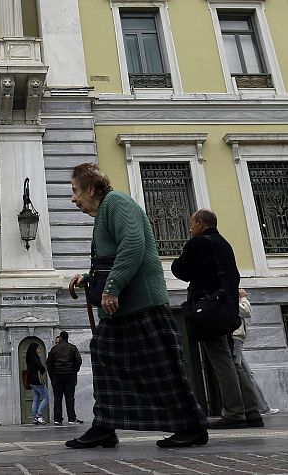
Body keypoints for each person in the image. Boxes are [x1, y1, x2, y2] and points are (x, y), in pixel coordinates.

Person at [66, 162, 210, 450]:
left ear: (91, 188)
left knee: (160, 367)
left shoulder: (118, 202)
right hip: (120, 308)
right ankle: (105, 425)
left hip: (141, 304)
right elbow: (111, 259)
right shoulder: (105, 211)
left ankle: (191, 426)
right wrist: (89, 277)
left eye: (75, 191)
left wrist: (112, 288)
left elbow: (133, 244)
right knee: (105, 359)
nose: (73, 198)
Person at [173, 209, 262, 430]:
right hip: (226, 309)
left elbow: (180, 270)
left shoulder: (198, 244)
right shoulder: (224, 244)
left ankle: (233, 413)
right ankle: (252, 411)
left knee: (222, 362)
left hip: (208, 309)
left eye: (192, 224)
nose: (190, 228)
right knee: (232, 361)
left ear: (201, 224)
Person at [232, 289, 276, 415]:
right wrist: (243, 298)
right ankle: (248, 408)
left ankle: (263, 407)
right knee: (238, 371)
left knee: (247, 373)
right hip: (236, 338)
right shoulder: (229, 297)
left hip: (238, 338)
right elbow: (246, 311)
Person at [45, 332, 82, 425]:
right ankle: (71, 418)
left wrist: (52, 376)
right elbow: (78, 361)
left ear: (60, 338)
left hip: (58, 375)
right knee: (70, 398)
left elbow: (48, 363)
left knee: (58, 398)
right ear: (67, 338)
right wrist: (74, 371)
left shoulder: (54, 349)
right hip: (70, 375)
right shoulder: (73, 348)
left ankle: (57, 419)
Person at [25, 341, 49, 425]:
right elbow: (41, 368)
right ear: (34, 350)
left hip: (31, 381)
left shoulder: (29, 358)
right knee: (47, 398)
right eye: (38, 349)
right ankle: (38, 415)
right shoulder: (35, 358)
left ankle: (34, 417)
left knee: (36, 398)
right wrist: (42, 368)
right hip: (37, 381)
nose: (39, 350)